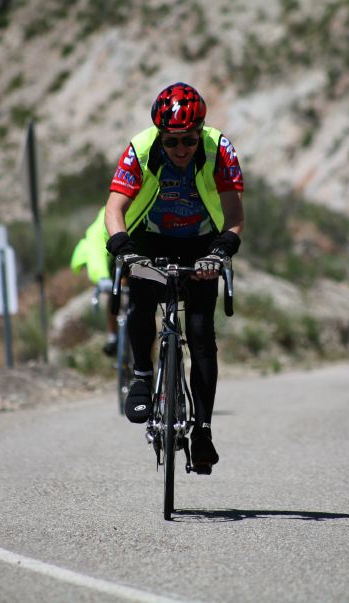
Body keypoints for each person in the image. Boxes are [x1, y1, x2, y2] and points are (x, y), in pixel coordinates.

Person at [103, 82, 244, 473]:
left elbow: (234, 217)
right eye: (171, 142)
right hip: (149, 239)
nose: (180, 149)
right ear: (160, 138)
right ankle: (142, 376)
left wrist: (220, 253)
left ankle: (202, 429)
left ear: (200, 134)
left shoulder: (220, 150)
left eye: (188, 141)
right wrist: (124, 249)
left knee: (200, 333)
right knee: (142, 300)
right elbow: (114, 209)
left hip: (202, 244)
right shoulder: (141, 149)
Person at [70, 208, 118, 356]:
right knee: (114, 292)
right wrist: (102, 277)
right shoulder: (104, 221)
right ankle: (113, 336)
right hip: (109, 258)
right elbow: (96, 248)